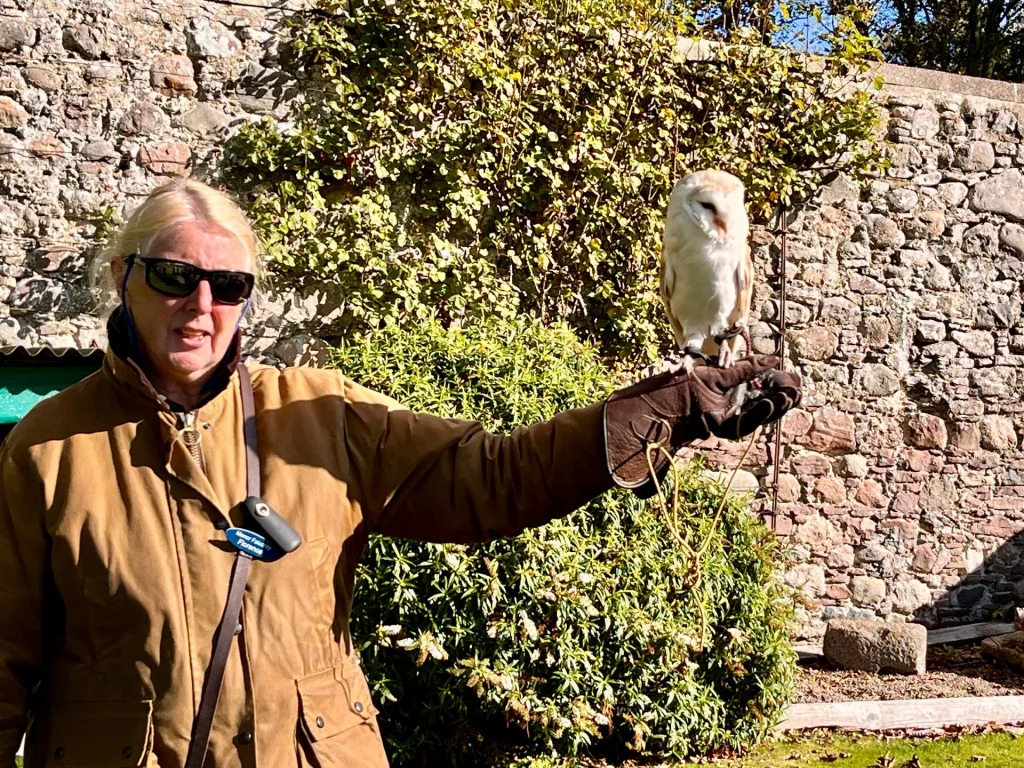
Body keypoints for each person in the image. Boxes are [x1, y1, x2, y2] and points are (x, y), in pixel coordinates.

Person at [0, 178, 801, 768]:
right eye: (174, 277)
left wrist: (653, 415)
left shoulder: (318, 416)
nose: (200, 304)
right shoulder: (46, 449)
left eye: (229, 286)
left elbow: (488, 477)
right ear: (123, 278)